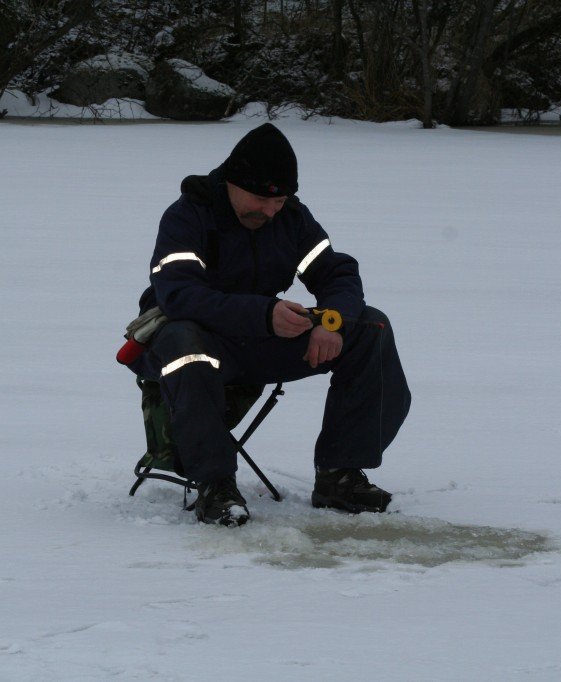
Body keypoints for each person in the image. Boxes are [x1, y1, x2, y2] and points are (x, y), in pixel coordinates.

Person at [125, 122, 411, 526]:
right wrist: (263, 315)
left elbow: (336, 273)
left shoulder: (290, 219)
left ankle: (339, 475)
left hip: (263, 344)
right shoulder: (188, 216)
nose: (270, 210)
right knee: (184, 340)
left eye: (280, 201)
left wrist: (334, 323)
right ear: (232, 182)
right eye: (261, 199)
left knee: (371, 329)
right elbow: (179, 295)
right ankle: (215, 485)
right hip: (196, 345)